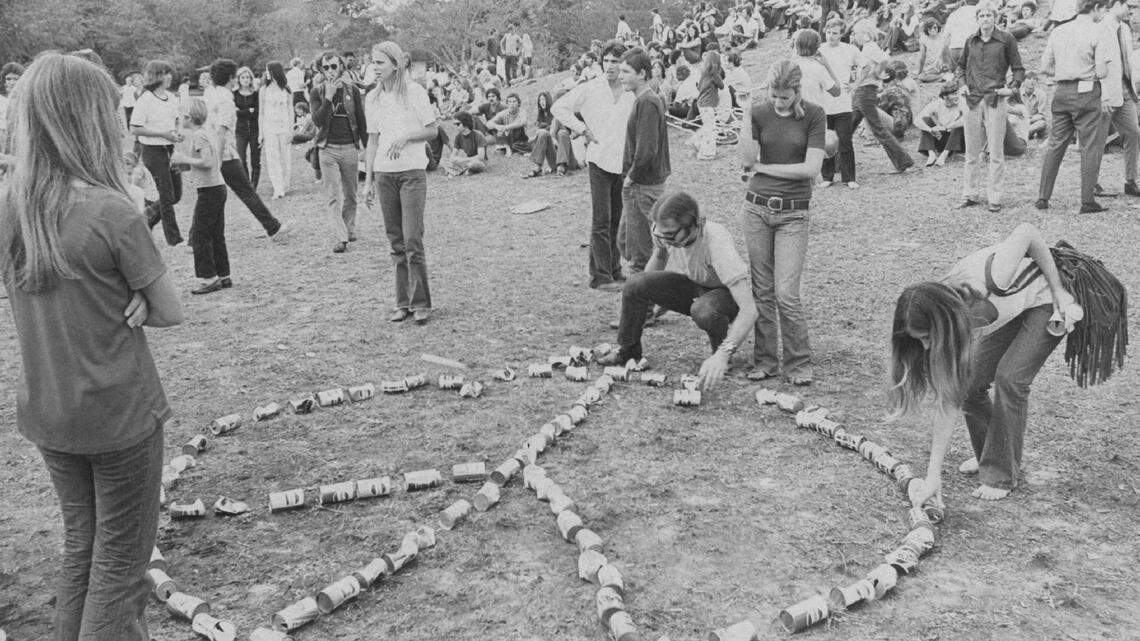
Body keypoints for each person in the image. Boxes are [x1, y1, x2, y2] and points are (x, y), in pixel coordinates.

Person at [0, 52, 183, 641]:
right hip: (118, 413)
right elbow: (171, 310)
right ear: (89, 120)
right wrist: (136, 299)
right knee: (119, 570)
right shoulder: (110, 210)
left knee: (83, 549)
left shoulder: (11, 207)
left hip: (50, 411)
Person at [890, 224, 1081, 504]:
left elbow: (1028, 232)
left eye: (928, 337)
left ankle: (1001, 473)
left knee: (1011, 378)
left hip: (1044, 299)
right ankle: (991, 456)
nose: (926, 347)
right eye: (920, 341)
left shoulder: (991, 281)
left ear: (941, 323)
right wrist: (933, 476)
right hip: (1014, 309)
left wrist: (1060, 290)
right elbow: (950, 399)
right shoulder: (951, 318)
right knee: (969, 385)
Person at [596, 191, 760, 389]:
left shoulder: (716, 241)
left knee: (703, 310)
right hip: (695, 284)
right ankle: (628, 350)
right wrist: (643, 297)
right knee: (635, 283)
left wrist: (724, 353)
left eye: (670, 233)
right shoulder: (664, 230)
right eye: (660, 232)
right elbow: (659, 256)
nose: (665, 237)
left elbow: (750, 310)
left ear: (694, 225)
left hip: (725, 295)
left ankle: (720, 355)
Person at [739, 59, 826, 386]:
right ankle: (765, 361)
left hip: (793, 213)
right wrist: (747, 114)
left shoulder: (815, 115)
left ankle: (798, 362)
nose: (778, 102)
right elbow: (747, 159)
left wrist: (763, 169)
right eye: (774, 96)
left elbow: (810, 170)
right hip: (756, 210)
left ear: (797, 91)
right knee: (761, 289)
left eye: (785, 97)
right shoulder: (759, 113)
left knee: (786, 292)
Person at [363, 41, 439, 325]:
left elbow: (432, 130)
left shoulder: (415, 92)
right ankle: (402, 302)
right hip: (384, 174)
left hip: (411, 172)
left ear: (395, 64)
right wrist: (368, 181)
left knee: (412, 238)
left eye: (380, 62)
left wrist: (406, 136)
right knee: (395, 241)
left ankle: (421, 302)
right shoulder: (372, 98)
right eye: (373, 62)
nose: (375, 67)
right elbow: (371, 140)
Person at [552, 40, 635, 292]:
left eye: (615, 61)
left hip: (621, 161)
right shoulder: (591, 88)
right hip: (598, 160)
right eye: (606, 61)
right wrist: (581, 129)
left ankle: (613, 268)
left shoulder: (629, 91)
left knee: (616, 218)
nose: (609, 66)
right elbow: (559, 106)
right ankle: (599, 276)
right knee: (601, 219)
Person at [1035, 0, 1114, 214]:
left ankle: (1043, 197)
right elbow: (1102, 72)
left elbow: (1044, 67)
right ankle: (1087, 200)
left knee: (1055, 145)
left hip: (1061, 90)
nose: (1105, 13)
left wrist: (1063, 73)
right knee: (1089, 146)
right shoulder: (1099, 31)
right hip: (1087, 91)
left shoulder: (1059, 30)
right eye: (1104, 9)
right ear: (1096, 7)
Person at [205, 60, 290, 242]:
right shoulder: (227, 98)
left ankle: (196, 238)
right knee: (246, 193)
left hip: (215, 151)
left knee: (211, 197)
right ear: (230, 77)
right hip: (224, 155)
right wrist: (219, 160)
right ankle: (273, 227)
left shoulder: (211, 93)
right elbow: (220, 132)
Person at [955, 2, 1024, 213]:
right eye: (982, 15)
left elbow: (1019, 69)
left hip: (995, 99)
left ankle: (995, 197)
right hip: (973, 99)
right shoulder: (971, 41)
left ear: (995, 17)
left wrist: (1011, 89)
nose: (985, 19)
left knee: (995, 152)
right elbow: (960, 67)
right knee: (971, 152)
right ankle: (970, 194)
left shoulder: (1006, 39)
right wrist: (962, 84)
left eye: (989, 15)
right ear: (977, 18)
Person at [619, 48, 671, 277]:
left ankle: (647, 305)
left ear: (641, 74)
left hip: (643, 184)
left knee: (641, 251)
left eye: (625, 71)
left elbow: (647, 149)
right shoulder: (643, 100)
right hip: (640, 183)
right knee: (625, 241)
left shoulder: (647, 102)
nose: (620, 76)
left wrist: (631, 177)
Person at [310, 51, 368, 252]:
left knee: (351, 193)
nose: (330, 71)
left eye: (334, 66)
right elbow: (317, 121)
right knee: (334, 195)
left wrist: (367, 147)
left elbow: (360, 119)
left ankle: (349, 227)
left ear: (341, 67)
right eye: (325, 68)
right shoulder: (317, 91)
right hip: (328, 149)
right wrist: (328, 98)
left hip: (350, 146)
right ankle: (340, 236)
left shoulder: (352, 90)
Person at [171, 99, 230, 294]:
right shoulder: (204, 133)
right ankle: (223, 275)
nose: (180, 119)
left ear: (189, 118)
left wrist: (182, 159)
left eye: (181, 116)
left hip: (210, 190)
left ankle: (209, 278)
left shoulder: (198, 136)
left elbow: (207, 162)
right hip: (216, 187)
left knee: (200, 235)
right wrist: (185, 166)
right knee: (215, 234)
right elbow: (202, 162)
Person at [130, 59, 184, 246]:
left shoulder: (171, 97)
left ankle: (146, 219)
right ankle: (174, 239)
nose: (170, 76)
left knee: (176, 194)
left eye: (170, 73)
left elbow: (176, 121)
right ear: (157, 76)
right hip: (153, 151)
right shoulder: (145, 99)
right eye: (166, 73)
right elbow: (135, 128)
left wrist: (177, 134)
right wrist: (162, 134)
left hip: (169, 149)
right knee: (167, 194)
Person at [851, 31, 916, 174]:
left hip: (866, 90)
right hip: (863, 90)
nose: (853, 36)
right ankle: (837, 162)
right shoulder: (867, 48)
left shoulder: (869, 47)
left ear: (864, 34)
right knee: (848, 127)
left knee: (878, 129)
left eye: (855, 33)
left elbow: (885, 60)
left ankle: (903, 161)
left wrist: (875, 73)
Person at [1095, 0, 1140, 198]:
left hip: (1125, 90)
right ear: (1116, 4)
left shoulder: (1125, 30)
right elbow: (1097, 64)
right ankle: (1091, 181)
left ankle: (1130, 181)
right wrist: (1102, 94)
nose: (1132, 11)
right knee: (1098, 139)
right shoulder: (1099, 28)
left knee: (1132, 132)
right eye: (1129, 7)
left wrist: (1133, 86)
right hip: (1105, 93)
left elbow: (1128, 61)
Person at [819, 21, 860, 187]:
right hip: (824, 103)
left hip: (843, 103)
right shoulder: (819, 49)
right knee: (826, 142)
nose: (831, 36)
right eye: (828, 32)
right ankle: (827, 177)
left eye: (835, 33)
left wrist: (856, 83)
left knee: (845, 140)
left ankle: (849, 178)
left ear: (841, 34)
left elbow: (866, 66)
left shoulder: (850, 49)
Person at [260, 61, 295, 199]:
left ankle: (285, 184)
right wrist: (261, 132)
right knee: (272, 157)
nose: (266, 73)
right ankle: (277, 187)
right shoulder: (264, 90)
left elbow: (290, 109)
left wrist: (291, 130)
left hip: (284, 127)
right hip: (269, 127)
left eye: (268, 70)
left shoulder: (286, 89)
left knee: (285, 157)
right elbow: (261, 113)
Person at [525, 92, 576, 177]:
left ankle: (562, 167)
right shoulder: (541, 117)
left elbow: (576, 135)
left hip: (569, 160)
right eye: (540, 100)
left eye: (544, 99)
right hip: (555, 162)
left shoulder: (563, 116)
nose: (542, 102)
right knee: (543, 133)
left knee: (561, 132)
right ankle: (538, 167)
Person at [916, 82, 967, 166]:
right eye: (954, 94)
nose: (957, 96)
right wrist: (931, 130)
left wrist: (946, 127)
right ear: (945, 96)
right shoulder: (936, 104)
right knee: (926, 120)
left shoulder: (962, 102)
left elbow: (965, 120)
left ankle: (944, 156)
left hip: (957, 142)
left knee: (959, 124)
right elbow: (917, 120)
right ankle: (931, 155)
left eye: (957, 93)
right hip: (941, 138)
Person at [233, 67, 261, 188]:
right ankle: (246, 183)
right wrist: (247, 111)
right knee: (241, 158)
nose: (245, 80)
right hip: (240, 130)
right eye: (242, 77)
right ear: (239, 79)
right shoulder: (234, 94)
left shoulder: (256, 94)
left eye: (247, 77)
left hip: (255, 130)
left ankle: (254, 184)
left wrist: (241, 111)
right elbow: (233, 112)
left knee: (255, 159)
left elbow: (257, 113)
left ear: (251, 79)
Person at [440, 111, 489, 176]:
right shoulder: (458, 137)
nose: (456, 126)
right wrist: (454, 160)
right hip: (466, 162)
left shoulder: (478, 135)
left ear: (465, 123)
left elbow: (481, 157)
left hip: (478, 162)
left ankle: (457, 170)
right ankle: (465, 170)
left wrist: (462, 160)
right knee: (442, 161)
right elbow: (453, 154)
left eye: (457, 124)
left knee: (473, 164)